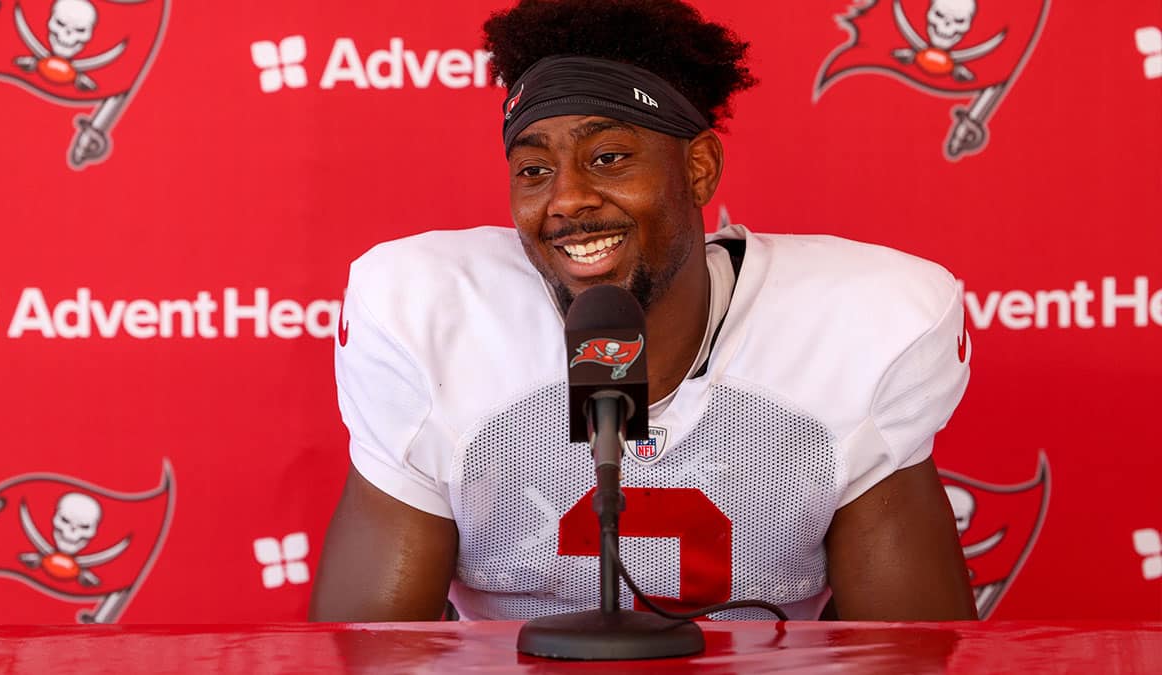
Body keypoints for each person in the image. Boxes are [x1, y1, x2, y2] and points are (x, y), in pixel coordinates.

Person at [310, 0, 977, 622]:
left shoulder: (857, 325)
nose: (567, 198)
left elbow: (910, 654)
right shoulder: (434, 320)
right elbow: (371, 652)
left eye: (608, 158)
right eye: (534, 170)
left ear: (699, 168)